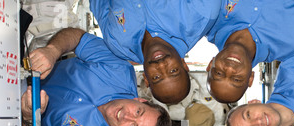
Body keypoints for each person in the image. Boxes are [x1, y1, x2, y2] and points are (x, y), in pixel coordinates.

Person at [21, 27, 171, 126]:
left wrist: (28, 118)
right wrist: (53, 51)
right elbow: (78, 38)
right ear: (140, 100)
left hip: (12, 118)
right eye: (138, 112)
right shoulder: (119, 68)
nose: (127, 117)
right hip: (21, 69)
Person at [90, 0, 221, 104]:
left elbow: (99, 4)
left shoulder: (118, 45)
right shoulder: (201, 14)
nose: (161, 65)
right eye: (173, 71)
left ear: (146, 79)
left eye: (156, 77)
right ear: (184, 65)